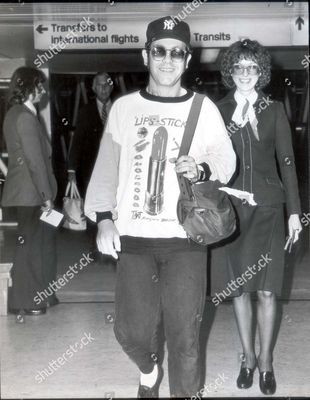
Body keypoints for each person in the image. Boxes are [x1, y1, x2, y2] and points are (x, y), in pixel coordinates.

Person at [85, 16, 236, 398]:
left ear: (188, 60)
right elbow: (106, 168)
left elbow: (226, 160)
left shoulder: (203, 108)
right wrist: (104, 218)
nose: (168, 60)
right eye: (159, 51)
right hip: (134, 238)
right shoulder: (124, 108)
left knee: (185, 334)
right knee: (130, 331)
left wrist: (200, 167)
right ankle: (149, 369)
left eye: (177, 53)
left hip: (184, 238)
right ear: (145, 55)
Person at [213, 39, 302, 395]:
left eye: (252, 68)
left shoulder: (275, 109)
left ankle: (266, 363)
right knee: (238, 291)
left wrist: (295, 212)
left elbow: (288, 164)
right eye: (239, 67)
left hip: (268, 210)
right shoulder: (217, 110)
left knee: (267, 291)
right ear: (230, 72)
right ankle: (247, 358)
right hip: (233, 209)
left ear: (261, 72)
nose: (246, 74)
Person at [2, 67, 58, 319]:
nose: (43, 90)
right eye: (39, 85)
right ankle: (23, 300)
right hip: (31, 193)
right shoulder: (25, 117)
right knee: (29, 248)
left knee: (34, 245)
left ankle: (39, 294)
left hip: (25, 192)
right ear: (28, 87)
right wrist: (46, 196)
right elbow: (35, 161)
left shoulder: (15, 113)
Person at [67, 72, 113, 197]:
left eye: (106, 85)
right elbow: (77, 141)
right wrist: (72, 170)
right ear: (94, 88)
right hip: (90, 170)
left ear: (112, 87)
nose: (103, 88)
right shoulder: (85, 111)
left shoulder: (119, 109)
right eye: (99, 85)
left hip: (114, 170)